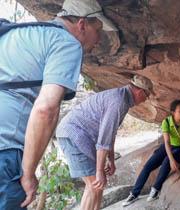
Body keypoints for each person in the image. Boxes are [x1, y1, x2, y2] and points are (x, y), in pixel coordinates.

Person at [0, 0, 117, 209]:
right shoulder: (66, 42)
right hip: (5, 149)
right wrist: (27, 173)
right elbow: (46, 109)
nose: (99, 40)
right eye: (98, 30)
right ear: (82, 24)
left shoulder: (18, 34)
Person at [56, 75, 155, 210]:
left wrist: (111, 160)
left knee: (99, 185)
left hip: (82, 137)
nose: (147, 99)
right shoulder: (118, 102)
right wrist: (99, 170)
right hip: (74, 135)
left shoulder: (122, 99)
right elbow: (103, 140)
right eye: (147, 95)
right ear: (140, 91)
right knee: (94, 185)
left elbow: (110, 133)